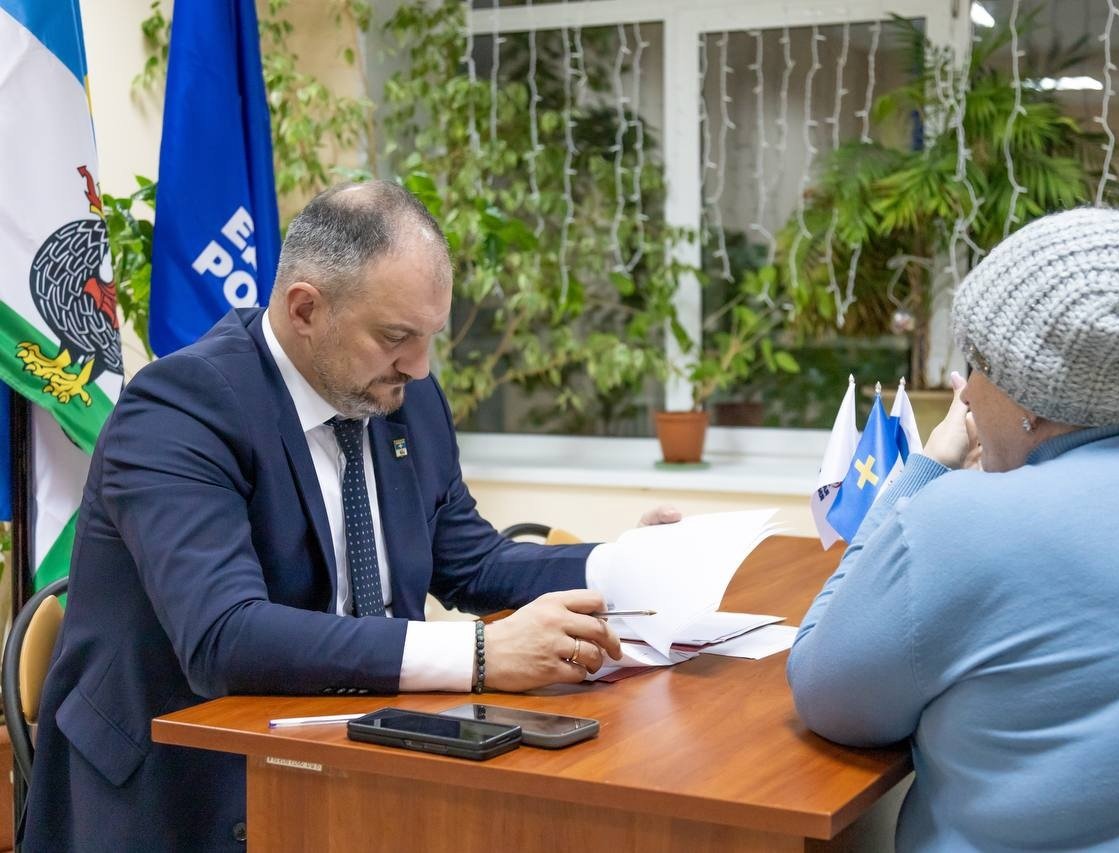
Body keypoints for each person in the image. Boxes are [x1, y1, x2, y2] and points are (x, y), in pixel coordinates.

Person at [24, 181, 678, 851]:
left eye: (429, 337)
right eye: (396, 337)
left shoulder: (402, 397)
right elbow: (224, 636)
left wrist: (627, 563)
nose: (419, 367)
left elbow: (470, 561)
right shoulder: (182, 408)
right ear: (306, 308)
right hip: (180, 794)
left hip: (359, 760)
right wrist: (482, 653)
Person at [788, 208, 1119, 851]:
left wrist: (922, 473)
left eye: (978, 365)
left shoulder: (958, 522)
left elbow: (824, 691)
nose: (966, 395)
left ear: (1033, 395)